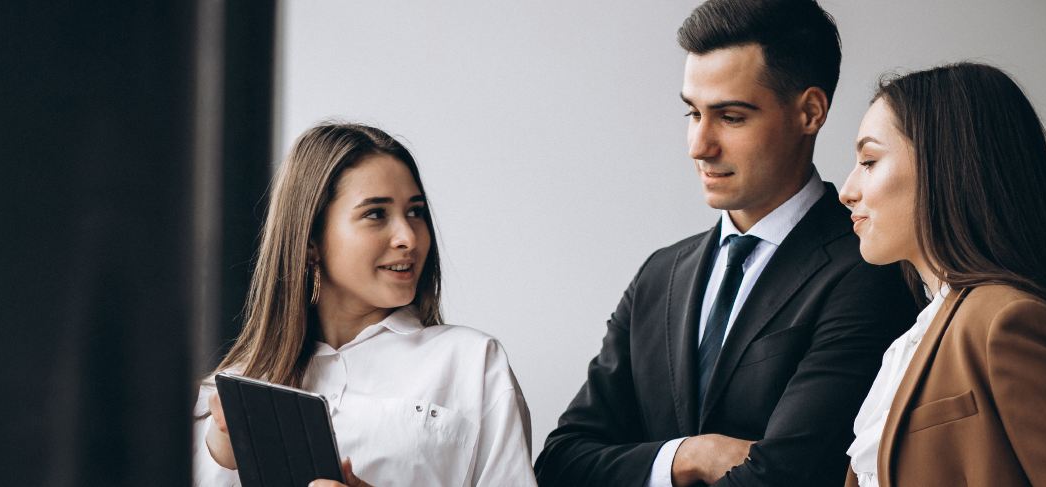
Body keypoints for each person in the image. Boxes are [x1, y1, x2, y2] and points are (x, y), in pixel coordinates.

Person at [535, 1, 918, 485]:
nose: (699, 144)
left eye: (731, 117)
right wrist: (687, 457)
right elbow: (559, 463)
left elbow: (788, 477)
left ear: (810, 112)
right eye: (693, 112)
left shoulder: (870, 267)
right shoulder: (660, 275)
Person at [191, 122, 537, 486]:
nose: (408, 237)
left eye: (416, 212)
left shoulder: (473, 362)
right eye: (376, 214)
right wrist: (221, 452)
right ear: (310, 241)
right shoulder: (231, 390)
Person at [839, 62, 1046, 486]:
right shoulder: (912, 340)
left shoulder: (1006, 322)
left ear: (944, 163)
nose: (847, 190)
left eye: (870, 160)